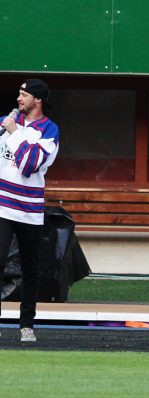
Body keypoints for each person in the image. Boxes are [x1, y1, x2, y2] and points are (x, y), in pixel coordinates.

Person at [0, 79, 59, 342]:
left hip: (29, 210)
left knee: (30, 269)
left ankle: (26, 325)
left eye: (23, 95)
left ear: (37, 99)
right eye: (18, 94)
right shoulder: (6, 122)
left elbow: (29, 164)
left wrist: (13, 132)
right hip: (2, 206)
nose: (18, 100)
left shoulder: (50, 131)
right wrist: (10, 130)